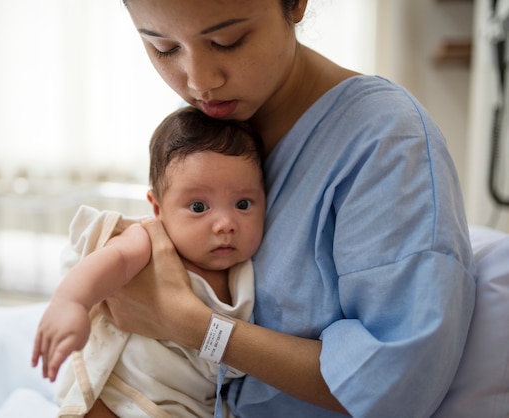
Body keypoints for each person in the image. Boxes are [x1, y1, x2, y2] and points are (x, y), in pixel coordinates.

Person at [98, 1, 478, 417]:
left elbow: (396, 382)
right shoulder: (206, 132)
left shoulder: (386, 143)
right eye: (164, 48)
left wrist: (194, 327)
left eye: (228, 40)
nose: (200, 81)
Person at [32, 106, 267, 417]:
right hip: (120, 392)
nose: (225, 223)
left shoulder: (250, 274)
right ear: (157, 208)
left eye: (242, 204)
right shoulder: (151, 240)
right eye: (198, 206)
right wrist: (71, 302)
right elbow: (111, 260)